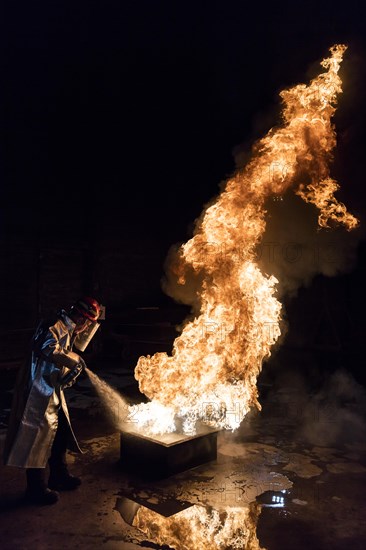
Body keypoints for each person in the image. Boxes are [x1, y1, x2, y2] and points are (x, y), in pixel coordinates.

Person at [3, 296, 101, 505]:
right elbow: (47, 348)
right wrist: (74, 361)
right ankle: (35, 489)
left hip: (52, 388)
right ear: (82, 319)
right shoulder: (53, 325)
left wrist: (71, 365)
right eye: (88, 324)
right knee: (35, 438)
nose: (85, 330)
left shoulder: (69, 329)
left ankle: (58, 475)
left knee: (61, 431)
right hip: (37, 390)